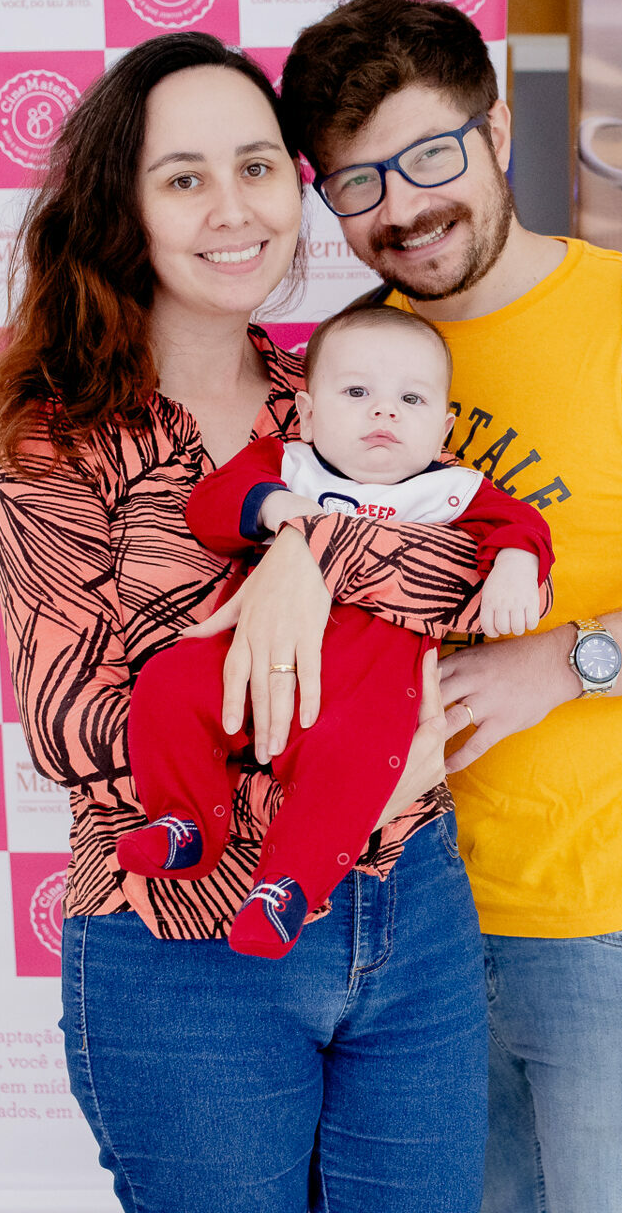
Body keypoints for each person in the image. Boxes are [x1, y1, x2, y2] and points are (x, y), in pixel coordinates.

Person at [266, 0, 622, 1212]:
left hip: (615, 925)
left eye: (430, 156)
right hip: (395, 930)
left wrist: (562, 660)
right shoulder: (346, 362)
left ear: (496, 130)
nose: (403, 208)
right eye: (357, 182)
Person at [0, 31, 492, 1213]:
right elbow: (73, 724)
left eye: (257, 167)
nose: (233, 208)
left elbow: (461, 563)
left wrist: (307, 560)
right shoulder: (59, 434)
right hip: (182, 943)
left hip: (407, 915)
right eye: (184, 177)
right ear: (124, 206)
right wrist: (338, 732)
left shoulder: (335, 391)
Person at [118, 301, 553, 959]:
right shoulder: (291, 466)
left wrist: (516, 566)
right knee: (169, 683)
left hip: (367, 687)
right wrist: (279, 508)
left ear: (443, 426)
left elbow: (520, 527)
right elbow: (210, 506)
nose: (385, 412)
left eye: (411, 399)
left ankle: (285, 888)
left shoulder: (451, 491)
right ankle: (185, 821)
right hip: (249, 658)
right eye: (356, 393)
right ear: (310, 412)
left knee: (352, 766)